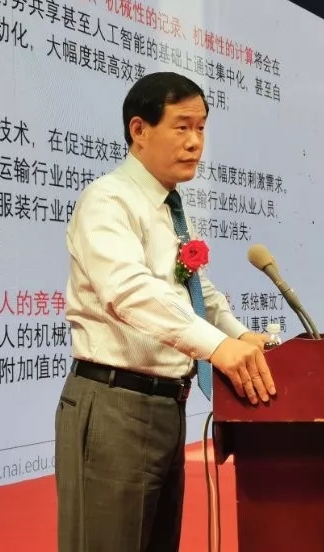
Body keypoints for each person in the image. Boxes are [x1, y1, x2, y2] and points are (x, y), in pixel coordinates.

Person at [55, 71, 276, 552]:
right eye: (182, 127)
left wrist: (238, 334)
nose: (195, 142)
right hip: (115, 405)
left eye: (201, 128)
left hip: (165, 407)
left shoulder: (169, 206)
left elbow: (194, 288)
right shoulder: (108, 200)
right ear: (139, 129)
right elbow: (129, 291)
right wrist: (217, 347)